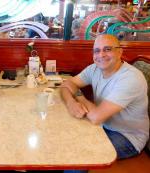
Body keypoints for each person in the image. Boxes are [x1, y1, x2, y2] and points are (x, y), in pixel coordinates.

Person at [61, 34, 149, 173]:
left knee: (78, 153)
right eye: (96, 50)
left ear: (119, 52)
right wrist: (71, 102)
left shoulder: (130, 78)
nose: (101, 55)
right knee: (63, 135)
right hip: (103, 126)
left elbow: (96, 117)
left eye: (107, 49)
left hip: (127, 137)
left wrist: (79, 96)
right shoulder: (94, 69)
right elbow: (67, 84)